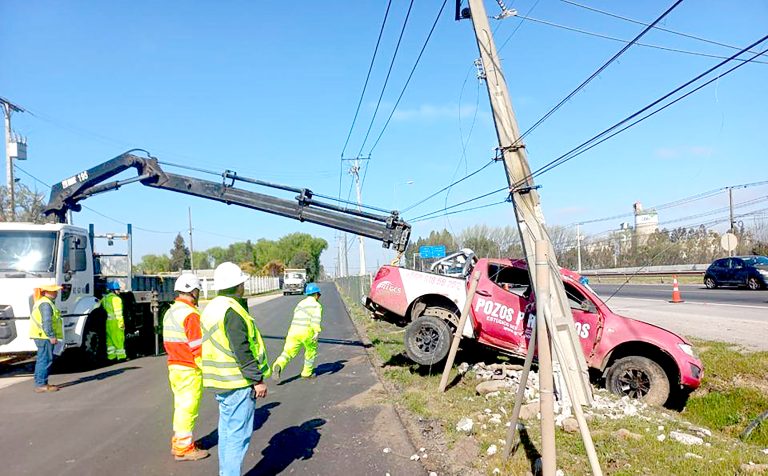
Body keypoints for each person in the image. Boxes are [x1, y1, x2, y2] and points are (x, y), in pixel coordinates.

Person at [200, 262, 271, 476]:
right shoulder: (232, 310)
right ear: (237, 285)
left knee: (228, 433)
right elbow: (241, 349)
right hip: (238, 383)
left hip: (220, 382)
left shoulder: (212, 307)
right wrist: (257, 380)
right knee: (238, 436)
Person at [163, 273, 209, 462]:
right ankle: (184, 448)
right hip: (189, 367)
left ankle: (181, 441)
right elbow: (198, 347)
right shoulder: (190, 314)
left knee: (181, 406)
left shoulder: (171, 311)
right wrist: (209, 370)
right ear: (193, 291)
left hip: (175, 366)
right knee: (188, 408)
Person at [271, 282, 323, 381]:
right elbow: (316, 319)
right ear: (316, 294)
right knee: (310, 352)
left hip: (293, 331)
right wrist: (316, 332)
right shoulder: (316, 305)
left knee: (288, 352)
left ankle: (278, 365)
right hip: (307, 332)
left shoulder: (300, 303)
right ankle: (307, 373)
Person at [30, 284, 64, 393]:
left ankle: (41, 382)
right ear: (45, 292)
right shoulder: (46, 304)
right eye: (53, 291)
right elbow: (47, 322)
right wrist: (51, 336)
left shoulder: (44, 302)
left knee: (42, 359)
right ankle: (41, 384)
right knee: (45, 359)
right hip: (44, 336)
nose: (56, 293)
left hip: (41, 335)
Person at [101, 281, 126, 361]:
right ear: (113, 290)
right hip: (116, 322)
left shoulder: (105, 299)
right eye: (117, 289)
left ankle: (111, 357)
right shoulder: (116, 299)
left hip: (108, 322)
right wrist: (121, 323)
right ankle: (121, 356)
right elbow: (118, 313)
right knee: (119, 339)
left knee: (110, 340)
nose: (119, 291)